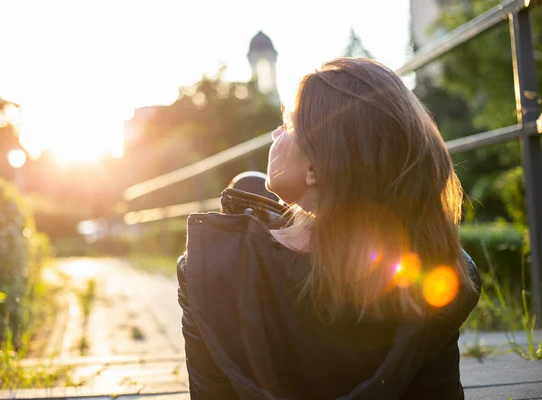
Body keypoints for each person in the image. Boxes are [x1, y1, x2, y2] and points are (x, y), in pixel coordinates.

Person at [177, 58, 481, 400]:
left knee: (248, 185)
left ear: (314, 169)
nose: (276, 134)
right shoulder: (440, 269)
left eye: (288, 123)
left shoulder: (207, 271)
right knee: (250, 185)